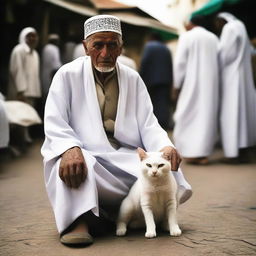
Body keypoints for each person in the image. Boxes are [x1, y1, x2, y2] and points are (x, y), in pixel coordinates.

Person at [41, 15, 192, 247]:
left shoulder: (132, 78)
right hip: (84, 153)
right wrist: (69, 148)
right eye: (97, 45)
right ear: (85, 47)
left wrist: (165, 146)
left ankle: (117, 217)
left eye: (112, 45)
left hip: (123, 154)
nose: (105, 53)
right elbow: (54, 121)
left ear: (120, 48)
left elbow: (148, 123)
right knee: (71, 163)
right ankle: (78, 221)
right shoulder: (66, 75)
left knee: (164, 168)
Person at [172, 16, 219, 165]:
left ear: (192, 23)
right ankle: (202, 154)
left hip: (191, 83)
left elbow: (180, 62)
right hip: (211, 85)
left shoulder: (187, 36)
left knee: (185, 114)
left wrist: (176, 84)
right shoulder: (213, 38)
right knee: (206, 116)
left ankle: (191, 152)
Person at [214, 12, 256, 160]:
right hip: (243, 77)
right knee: (243, 115)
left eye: (217, 23)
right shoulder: (241, 26)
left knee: (231, 114)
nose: (217, 26)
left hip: (230, 77)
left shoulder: (229, 28)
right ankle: (243, 149)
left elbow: (225, 54)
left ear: (222, 21)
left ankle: (233, 153)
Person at [8, 27, 41, 142]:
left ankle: (24, 139)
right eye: (29, 36)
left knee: (27, 115)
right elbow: (17, 71)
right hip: (21, 91)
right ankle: (18, 141)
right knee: (18, 116)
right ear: (23, 37)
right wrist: (20, 91)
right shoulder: (19, 50)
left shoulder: (35, 53)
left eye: (34, 35)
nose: (32, 38)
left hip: (31, 90)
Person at [140, 32, 173, 130]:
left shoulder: (149, 46)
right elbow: (170, 65)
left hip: (151, 80)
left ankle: (154, 125)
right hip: (165, 80)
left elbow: (144, 62)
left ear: (151, 37)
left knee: (152, 102)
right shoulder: (166, 48)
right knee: (163, 102)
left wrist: (141, 76)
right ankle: (164, 124)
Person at [41, 34, 62, 102]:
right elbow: (56, 65)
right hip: (51, 74)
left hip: (44, 73)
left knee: (45, 93)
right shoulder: (54, 48)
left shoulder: (45, 48)